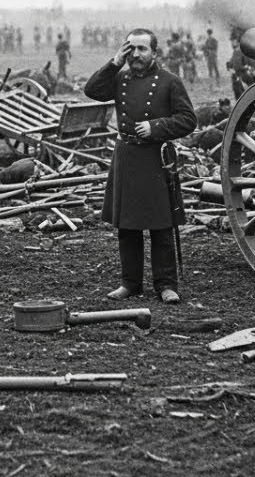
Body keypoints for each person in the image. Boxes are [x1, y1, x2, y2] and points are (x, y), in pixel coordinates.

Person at [84, 28, 196, 304]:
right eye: (130, 48)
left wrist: (156, 127)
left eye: (142, 49)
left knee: (161, 226)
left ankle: (166, 285)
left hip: (156, 159)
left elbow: (188, 120)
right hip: (127, 157)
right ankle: (130, 284)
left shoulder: (170, 82)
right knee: (128, 227)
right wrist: (113, 63)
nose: (135, 54)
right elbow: (92, 91)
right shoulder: (119, 78)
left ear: (154, 53)